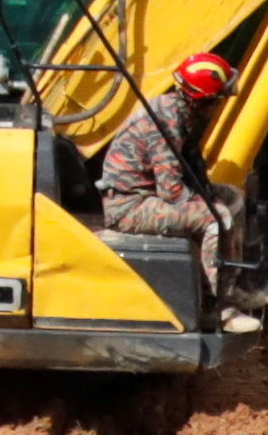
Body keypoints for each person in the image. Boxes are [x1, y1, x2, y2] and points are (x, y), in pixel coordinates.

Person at [98, 53, 235, 290]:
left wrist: (209, 194)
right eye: (217, 100)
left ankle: (234, 280)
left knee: (232, 197)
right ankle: (219, 301)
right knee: (218, 217)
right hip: (130, 206)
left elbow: (192, 165)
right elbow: (171, 190)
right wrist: (207, 204)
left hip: (148, 196)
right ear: (202, 101)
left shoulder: (184, 114)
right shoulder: (165, 122)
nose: (219, 106)